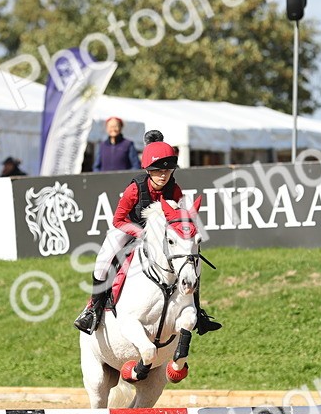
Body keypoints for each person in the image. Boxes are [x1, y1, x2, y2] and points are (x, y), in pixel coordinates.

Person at [74, 130, 219, 336]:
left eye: (167, 170)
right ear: (148, 170)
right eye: (158, 170)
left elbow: (177, 218)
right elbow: (118, 220)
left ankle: (198, 312)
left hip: (160, 234)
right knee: (103, 260)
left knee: (190, 262)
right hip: (130, 228)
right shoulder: (135, 189)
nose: (163, 175)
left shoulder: (174, 189)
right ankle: (93, 310)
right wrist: (141, 232)